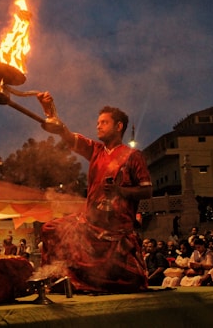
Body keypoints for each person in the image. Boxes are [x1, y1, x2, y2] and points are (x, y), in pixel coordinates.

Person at [36, 92, 152, 293]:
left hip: (116, 227)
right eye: (98, 122)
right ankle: (56, 278)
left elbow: (147, 190)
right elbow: (67, 135)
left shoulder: (133, 156)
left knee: (125, 281)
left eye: (104, 122)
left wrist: (120, 191)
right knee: (50, 229)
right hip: (89, 222)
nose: (98, 126)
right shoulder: (95, 151)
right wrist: (50, 110)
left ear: (119, 126)